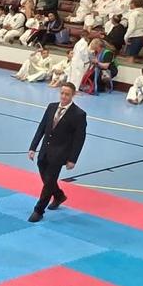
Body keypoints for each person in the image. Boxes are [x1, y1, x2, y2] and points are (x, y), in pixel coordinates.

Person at [27, 82, 87, 223]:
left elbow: (79, 139)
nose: (64, 96)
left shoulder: (79, 114)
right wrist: (33, 147)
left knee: (49, 182)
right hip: (44, 151)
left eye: (67, 94)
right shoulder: (51, 107)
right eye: (62, 93)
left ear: (73, 95)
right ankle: (59, 195)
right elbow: (41, 128)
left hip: (60, 154)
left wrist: (72, 159)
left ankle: (39, 210)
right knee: (46, 177)